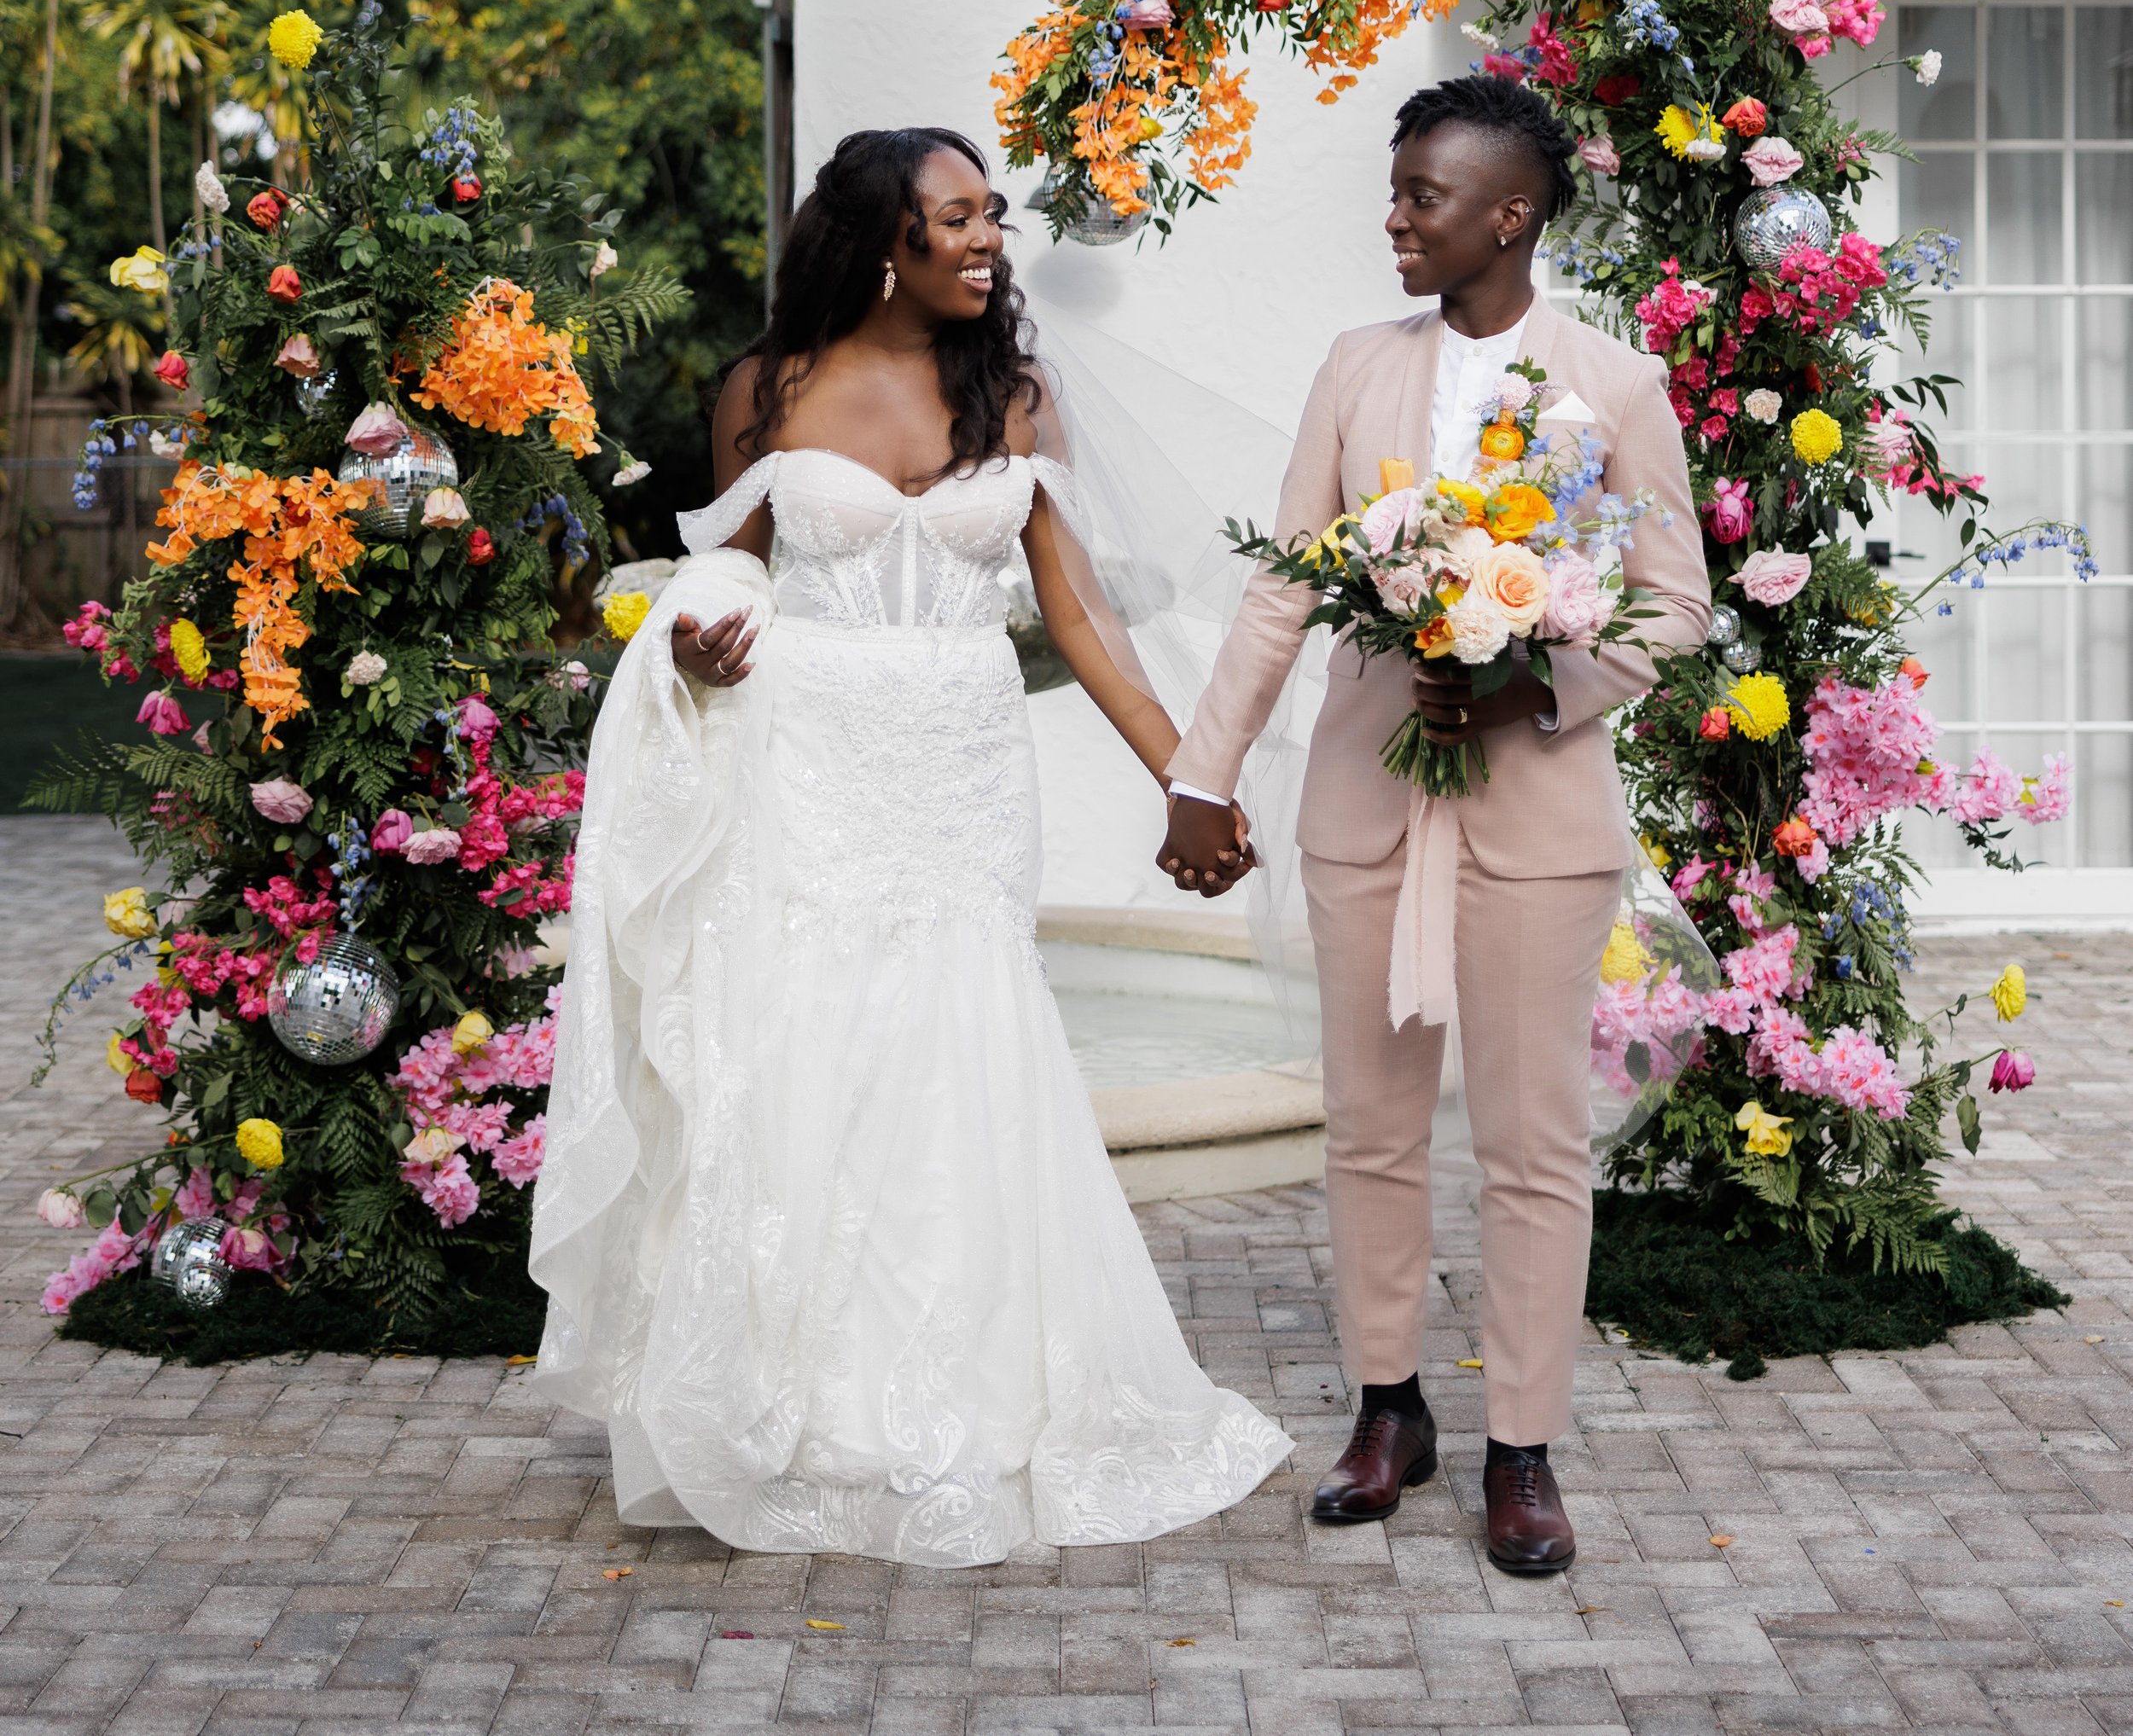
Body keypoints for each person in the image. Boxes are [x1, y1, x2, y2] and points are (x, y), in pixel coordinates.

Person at [530, 125, 1290, 1565]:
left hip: (956, 757)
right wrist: (692, 657)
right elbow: (729, 579)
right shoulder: (770, 389)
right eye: (958, 216)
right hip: (804, 758)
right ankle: (803, 1410)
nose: (990, 236)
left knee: (963, 1041)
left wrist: (1192, 777)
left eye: (991, 213)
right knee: (806, 1044)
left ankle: (987, 1397)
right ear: (888, 238)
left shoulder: (1012, 395)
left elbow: (1081, 620)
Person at [1159, 75, 1710, 1571]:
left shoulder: (1617, 384)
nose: (1394, 216)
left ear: (1511, 215)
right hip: (1367, 805)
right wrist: (1201, 773)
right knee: (1373, 1128)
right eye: (1396, 190)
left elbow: (1674, 605)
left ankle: (1522, 1449)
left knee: (1534, 1145)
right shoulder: (1353, 367)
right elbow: (1285, 581)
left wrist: (1542, 683)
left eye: (1424, 195)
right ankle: (1388, 1406)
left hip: (1536, 817)